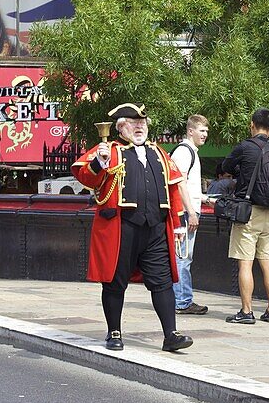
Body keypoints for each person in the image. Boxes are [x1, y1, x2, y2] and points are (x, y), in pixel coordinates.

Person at [71, 103, 194, 354]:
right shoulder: (109, 151)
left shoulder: (158, 153)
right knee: (115, 282)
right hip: (121, 227)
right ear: (120, 127)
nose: (140, 127)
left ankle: (171, 334)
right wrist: (99, 162)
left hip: (156, 229)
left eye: (143, 123)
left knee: (162, 282)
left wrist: (178, 224)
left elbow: (173, 188)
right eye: (133, 123)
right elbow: (85, 177)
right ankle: (114, 331)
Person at [221, 108, 269, 325]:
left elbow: (226, 166)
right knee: (268, 261)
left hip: (249, 212)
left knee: (245, 263)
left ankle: (246, 312)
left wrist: (242, 172)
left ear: (252, 125)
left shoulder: (245, 146)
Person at [171, 114, 209, 316]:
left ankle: (181, 299)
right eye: (201, 130)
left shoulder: (187, 151)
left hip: (187, 210)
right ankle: (182, 300)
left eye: (206, 131)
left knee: (183, 257)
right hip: (185, 213)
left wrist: (204, 199)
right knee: (182, 257)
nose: (205, 135)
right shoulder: (185, 152)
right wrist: (192, 212)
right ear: (190, 131)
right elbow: (180, 183)